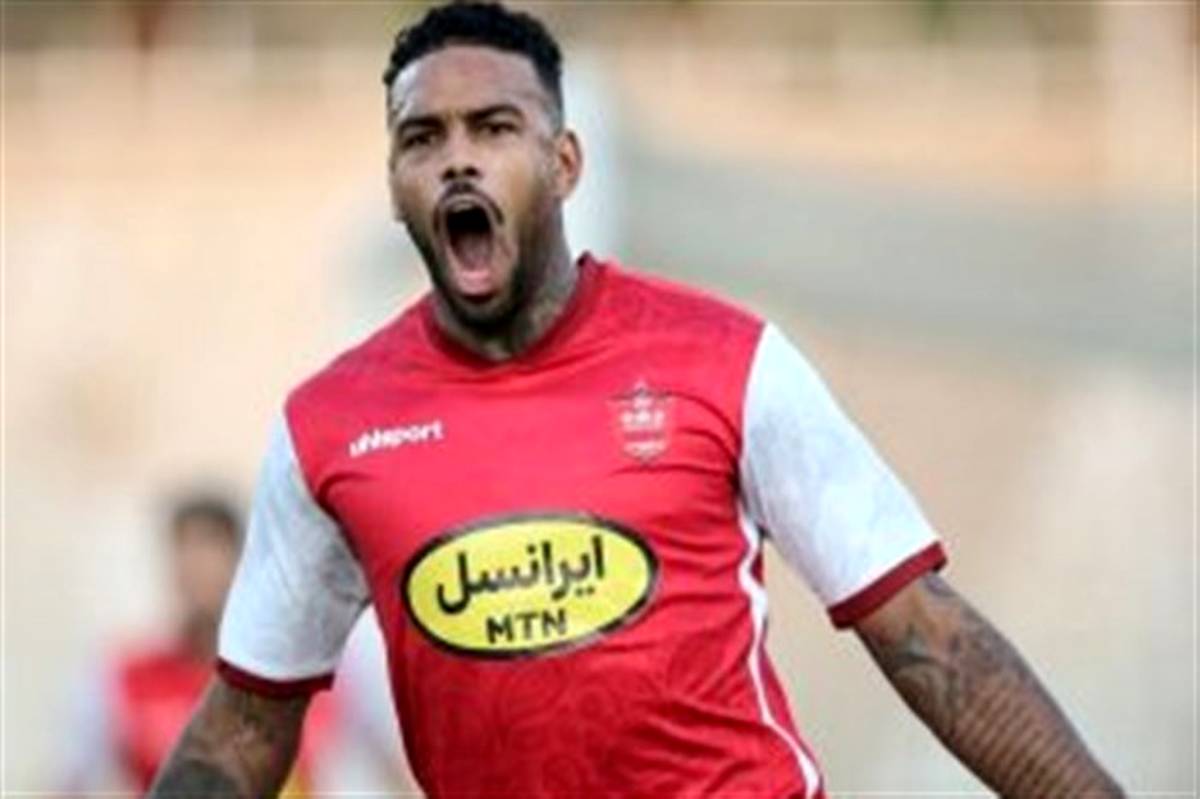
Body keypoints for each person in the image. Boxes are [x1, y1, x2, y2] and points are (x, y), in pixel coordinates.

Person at [150, 3, 1124, 797]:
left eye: (495, 128)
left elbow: (927, 639)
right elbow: (244, 725)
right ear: (396, 183)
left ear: (565, 163)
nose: (458, 159)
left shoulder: (728, 360)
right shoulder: (329, 427)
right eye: (423, 137)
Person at [60, 492, 337, 795]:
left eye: (210, 553)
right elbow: (67, 783)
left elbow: (372, 765)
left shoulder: (309, 674)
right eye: (186, 555)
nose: (196, 571)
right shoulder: (123, 675)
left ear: (241, 564)